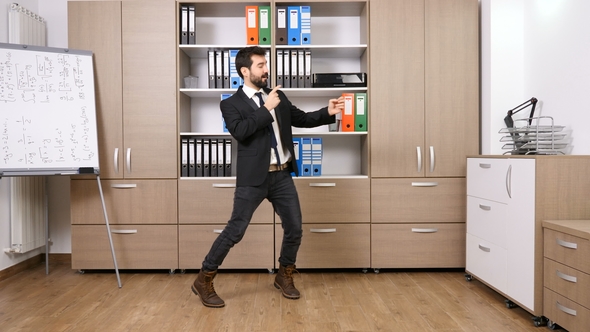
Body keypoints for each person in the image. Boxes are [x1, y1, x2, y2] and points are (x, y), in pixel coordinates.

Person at [191, 46, 344, 308]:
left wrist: (327, 112)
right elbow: (241, 131)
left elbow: (303, 119)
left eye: (266, 64)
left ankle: (284, 275)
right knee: (235, 231)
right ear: (245, 71)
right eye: (261, 65)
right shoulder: (230, 104)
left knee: (294, 228)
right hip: (253, 179)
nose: (266, 69)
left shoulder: (277, 95)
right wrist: (265, 108)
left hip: (282, 175)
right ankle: (203, 278)